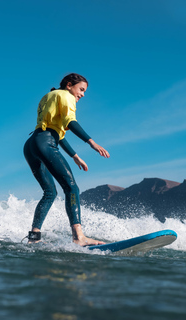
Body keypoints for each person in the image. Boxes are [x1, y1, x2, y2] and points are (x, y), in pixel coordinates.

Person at [23, 73, 110, 246]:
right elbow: (70, 122)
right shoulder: (66, 95)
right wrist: (91, 142)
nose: (83, 95)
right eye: (81, 89)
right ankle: (79, 237)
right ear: (69, 85)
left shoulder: (51, 96)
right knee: (71, 188)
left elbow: (57, 133)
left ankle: (34, 237)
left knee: (50, 193)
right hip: (45, 142)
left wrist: (75, 156)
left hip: (31, 144)